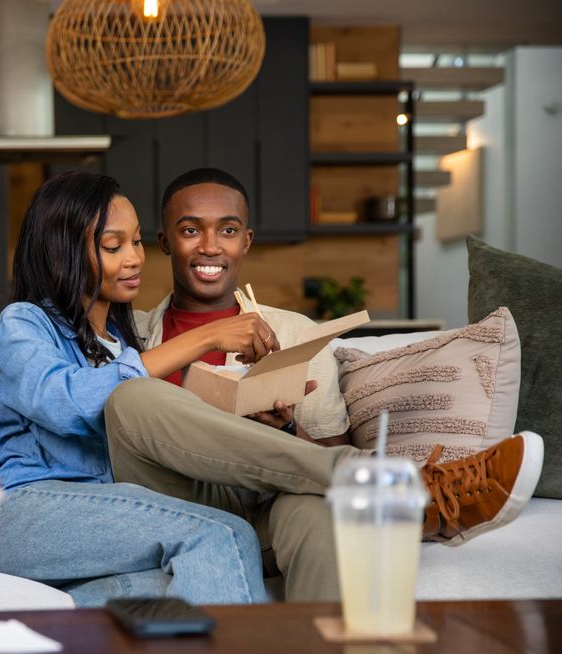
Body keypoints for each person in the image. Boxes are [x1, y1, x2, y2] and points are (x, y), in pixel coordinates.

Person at [111, 166, 543, 601]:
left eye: (227, 230)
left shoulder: (297, 335)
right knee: (135, 395)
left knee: (316, 508)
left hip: (265, 507)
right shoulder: (127, 336)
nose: (209, 246)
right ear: (164, 242)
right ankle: (398, 485)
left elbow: (328, 450)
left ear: (246, 241)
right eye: (190, 230)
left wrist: (285, 430)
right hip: (172, 505)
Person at [0, 171, 267, 607]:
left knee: (154, 592)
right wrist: (205, 338)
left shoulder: (123, 341)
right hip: (28, 511)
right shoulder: (24, 323)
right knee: (222, 533)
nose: (134, 258)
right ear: (63, 252)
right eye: (113, 246)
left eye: (136, 242)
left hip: (109, 514)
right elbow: (68, 402)